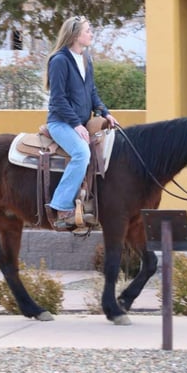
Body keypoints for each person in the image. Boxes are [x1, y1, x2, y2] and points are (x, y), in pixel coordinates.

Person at [44, 15, 117, 230]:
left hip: (80, 122)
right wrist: (76, 125)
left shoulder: (86, 59)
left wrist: (105, 113)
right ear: (75, 35)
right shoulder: (59, 61)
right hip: (61, 123)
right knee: (82, 153)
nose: (91, 34)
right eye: (88, 30)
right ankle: (62, 206)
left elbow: (92, 92)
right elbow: (57, 99)